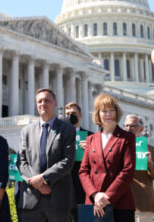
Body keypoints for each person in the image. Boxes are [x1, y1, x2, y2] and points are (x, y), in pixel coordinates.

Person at [17, 88, 76, 222]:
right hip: (31, 201)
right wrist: (38, 183)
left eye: (47, 101)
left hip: (58, 199)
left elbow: (67, 161)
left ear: (55, 103)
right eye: (40, 101)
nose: (43, 104)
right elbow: (21, 161)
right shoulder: (26, 131)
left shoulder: (67, 129)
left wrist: (43, 178)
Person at [79, 94, 136, 221]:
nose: (108, 114)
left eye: (112, 110)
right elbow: (83, 171)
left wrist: (107, 197)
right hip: (94, 202)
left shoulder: (127, 138)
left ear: (117, 112)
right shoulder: (90, 139)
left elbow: (128, 171)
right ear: (98, 114)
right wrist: (95, 195)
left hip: (119, 203)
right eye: (104, 111)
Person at [124, 114, 154, 222]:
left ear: (141, 129)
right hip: (122, 205)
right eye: (126, 126)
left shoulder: (151, 150)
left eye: (132, 126)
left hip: (143, 205)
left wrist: (149, 163)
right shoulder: (119, 149)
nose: (128, 129)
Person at [64, 102, 93, 222]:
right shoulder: (58, 136)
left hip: (83, 190)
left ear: (80, 115)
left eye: (74, 113)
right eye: (68, 114)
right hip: (63, 191)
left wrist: (90, 151)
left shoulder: (91, 137)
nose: (71, 116)